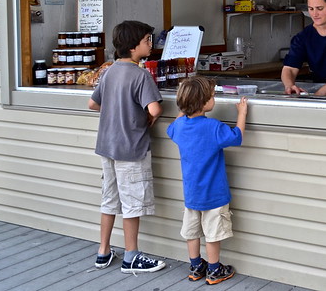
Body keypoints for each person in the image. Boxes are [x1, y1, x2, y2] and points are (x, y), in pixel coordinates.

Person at [88, 20, 166, 274]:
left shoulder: (109, 71)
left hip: (107, 146)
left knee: (109, 200)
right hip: (131, 149)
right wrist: (150, 116)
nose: (150, 45)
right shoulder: (140, 74)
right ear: (133, 47)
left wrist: (115, 109)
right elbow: (154, 108)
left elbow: (93, 104)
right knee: (132, 202)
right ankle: (131, 256)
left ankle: (103, 251)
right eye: (147, 41)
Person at [167, 76, 248, 285]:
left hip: (191, 193)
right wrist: (242, 113)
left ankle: (195, 266)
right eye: (212, 96)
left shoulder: (180, 127)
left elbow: (172, 128)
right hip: (214, 194)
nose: (214, 99)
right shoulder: (213, 127)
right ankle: (214, 270)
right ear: (204, 103)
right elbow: (237, 137)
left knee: (192, 231)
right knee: (212, 234)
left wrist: (184, 109)